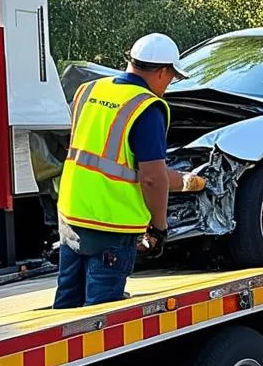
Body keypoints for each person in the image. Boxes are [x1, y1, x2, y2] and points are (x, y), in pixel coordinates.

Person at [53, 33, 206, 309]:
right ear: (162, 72)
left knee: (67, 307)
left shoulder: (89, 90)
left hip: (72, 214)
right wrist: (159, 226)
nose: (168, 86)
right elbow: (151, 178)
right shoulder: (146, 107)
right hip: (111, 225)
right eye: (171, 78)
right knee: (99, 317)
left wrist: (183, 182)